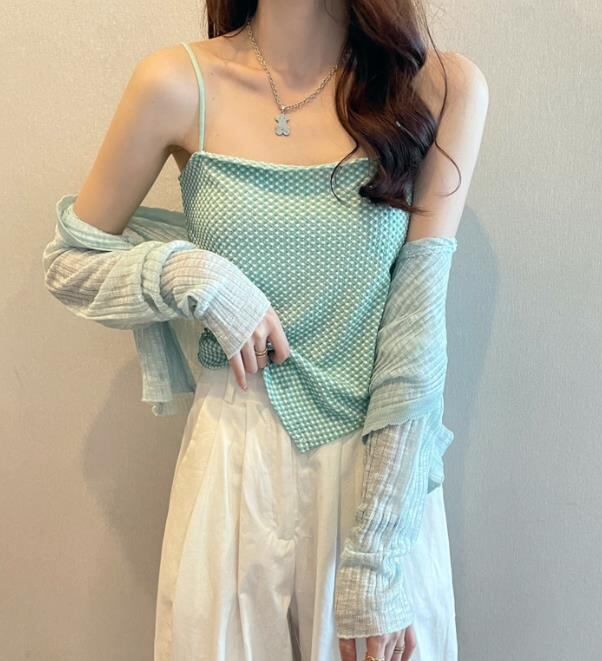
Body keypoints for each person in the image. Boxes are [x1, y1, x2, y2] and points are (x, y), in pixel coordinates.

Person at [52, 1, 488, 659]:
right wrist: (193, 274)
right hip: (233, 464)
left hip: (377, 484)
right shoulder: (176, 84)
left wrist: (375, 557)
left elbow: (416, 328)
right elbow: (69, 263)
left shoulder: (437, 88)